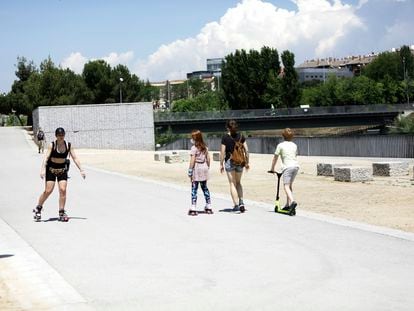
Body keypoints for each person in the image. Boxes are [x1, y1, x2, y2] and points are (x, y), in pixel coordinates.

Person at [33, 127, 86, 222]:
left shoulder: (68, 145)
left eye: (62, 135)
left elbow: (75, 158)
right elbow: (46, 158)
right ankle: (39, 207)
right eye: (59, 135)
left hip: (62, 170)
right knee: (48, 191)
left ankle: (61, 211)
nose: (61, 137)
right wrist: (42, 170)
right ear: (56, 136)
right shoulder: (52, 145)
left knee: (63, 190)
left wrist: (81, 169)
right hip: (51, 170)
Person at [220, 120, 249, 213]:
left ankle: (236, 205)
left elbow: (222, 152)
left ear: (227, 127)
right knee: (239, 182)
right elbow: (247, 151)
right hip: (240, 162)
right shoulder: (241, 136)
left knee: (232, 183)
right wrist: (247, 162)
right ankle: (241, 202)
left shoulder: (225, 137)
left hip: (230, 161)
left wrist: (221, 164)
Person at [269, 128, 299, 211]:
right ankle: (287, 204)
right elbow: (295, 155)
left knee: (286, 186)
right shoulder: (294, 145)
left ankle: (292, 201)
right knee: (289, 185)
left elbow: (275, 157)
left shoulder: (280, 145)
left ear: (283, 136)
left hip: (287, 167)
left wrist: (272, 169)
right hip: (296, 167)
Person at [187, 130, 212, 216]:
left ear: (195, 138)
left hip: (196, 169)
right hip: (204, 167)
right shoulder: (205, 147)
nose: (191, 139)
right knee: (205, 187)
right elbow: (208, 158)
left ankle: (193, 207)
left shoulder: (194, 148)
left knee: (194, 188)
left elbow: (192, 160)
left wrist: (190, 171)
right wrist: (208, 166)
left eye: (192, 138)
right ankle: (208, 205)